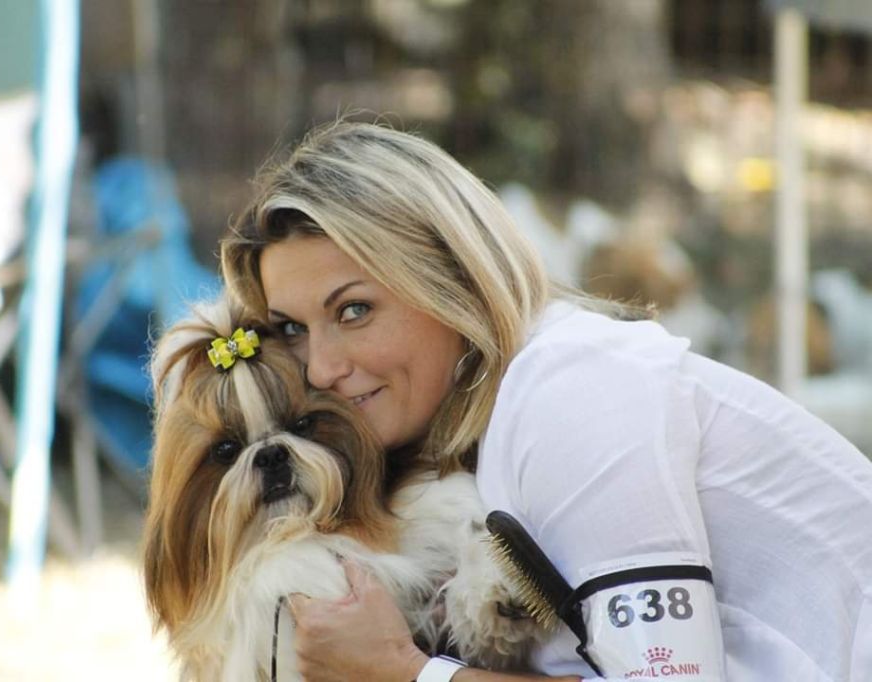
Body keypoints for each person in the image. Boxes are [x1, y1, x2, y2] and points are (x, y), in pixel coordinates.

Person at [220, 121, 872, 682]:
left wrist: (405, 670)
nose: (324, 368)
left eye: (355, 310)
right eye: (293, 331)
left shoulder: (572, 393)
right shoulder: (469, 427)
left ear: (453, 278)